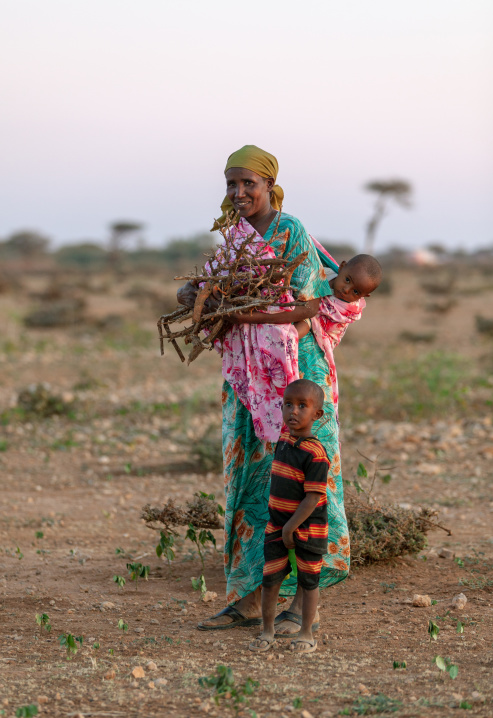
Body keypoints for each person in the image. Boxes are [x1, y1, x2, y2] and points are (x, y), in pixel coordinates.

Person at [177, 145, 350, 633]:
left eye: (247, 183)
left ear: (269, 185)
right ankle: (249, 598)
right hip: (246, 376)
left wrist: (240, 315)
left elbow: (301, 305)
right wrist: (192, 296)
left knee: (307, 479)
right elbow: (213, 287)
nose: (238, 193)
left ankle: (301, 603)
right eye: (231, 184)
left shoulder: (290, 230)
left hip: (297, 375)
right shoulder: (232, 237)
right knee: (251, 481)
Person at [249, 379, 329, 654]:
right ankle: (267, 630)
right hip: (278, 525)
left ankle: (306, 632)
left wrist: (290, 528)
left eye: (302, 406)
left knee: (309, 581)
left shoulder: (316, 453)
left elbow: (313, 497)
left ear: (316, 415)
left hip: (307, 528)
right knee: (271, 579)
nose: (293, 411)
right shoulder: (284, 440)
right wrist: (281, 527)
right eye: (288, 404)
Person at [294, 253, 382, 412]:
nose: (346, 290)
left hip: (323, 332)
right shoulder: (325, 274)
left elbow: (323, 315)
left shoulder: (349, 308)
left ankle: (289, 338)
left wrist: (310, 309)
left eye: (355, 292)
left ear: (364, 296)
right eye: (347, 280)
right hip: (307, 314)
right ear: (341, 267)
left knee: (306, 321)